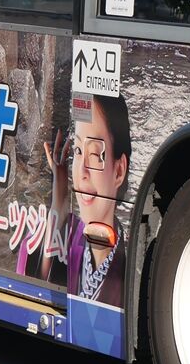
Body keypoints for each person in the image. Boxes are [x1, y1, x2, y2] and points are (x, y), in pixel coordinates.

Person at [19, 95, 131, 306]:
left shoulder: (131, 263)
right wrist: (59, 201)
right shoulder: (72, 234)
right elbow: (38, 291)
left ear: (119, 170)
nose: (82, 171)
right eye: (78, 151)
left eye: (95, 154)